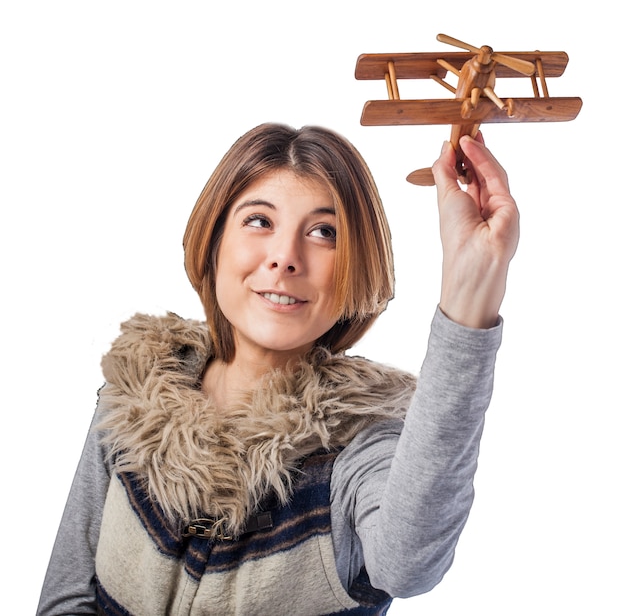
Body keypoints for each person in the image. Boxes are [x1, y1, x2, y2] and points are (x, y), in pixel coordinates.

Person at [37, 123, 519, 615]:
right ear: (215, 238)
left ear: (358, 265)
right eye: (259, 221)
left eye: (323, 233)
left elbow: (409, 565)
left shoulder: (362, 446)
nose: (285, 258)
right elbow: (66, 597)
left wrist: (468, 294)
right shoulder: (136, 389)